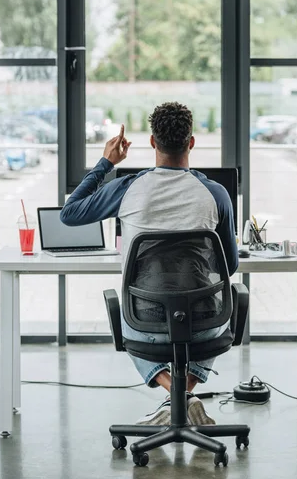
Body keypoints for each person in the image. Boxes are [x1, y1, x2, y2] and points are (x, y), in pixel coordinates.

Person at [60, 102, 238, 426]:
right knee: (230, 301)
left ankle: (176, 398)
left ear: (153, 143)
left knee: (122, 308)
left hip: (145, 325)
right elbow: (231, 266)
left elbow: (70, 213)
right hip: (205, 327)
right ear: (192, 143)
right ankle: (184, 397)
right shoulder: (216, 194)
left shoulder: (128, 189)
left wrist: (106, 162)